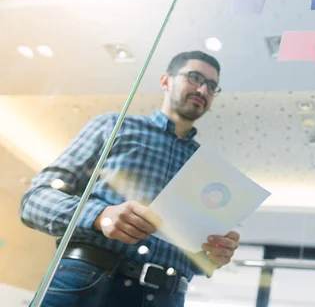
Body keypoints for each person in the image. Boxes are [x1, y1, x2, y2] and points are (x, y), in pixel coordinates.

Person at [21, 51, 240, 307]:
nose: (202, 89)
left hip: (167, 296)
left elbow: (196, 258)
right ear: (165, 81)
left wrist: (213, 255)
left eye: (212, 86)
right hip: (88, 284)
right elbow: (33, 202)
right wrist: (100, 215)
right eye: (194, 78)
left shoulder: (207, 168)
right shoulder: (112, 126)